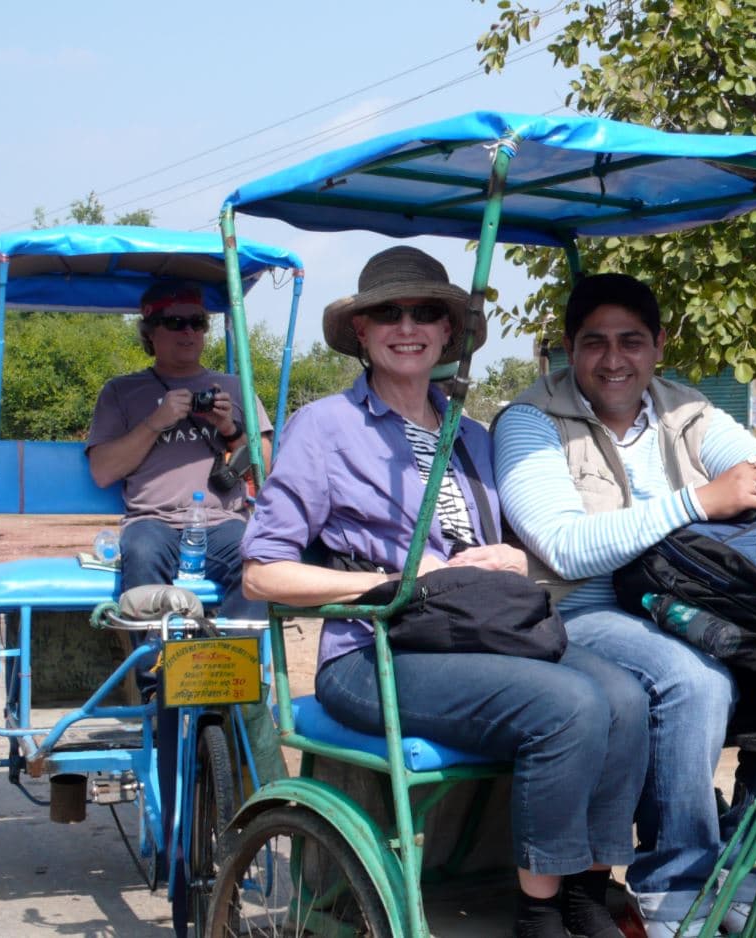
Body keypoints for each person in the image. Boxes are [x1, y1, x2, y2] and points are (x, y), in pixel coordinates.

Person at [241, 247, 647, 938]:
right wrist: (399, 580)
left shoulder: (473, 436)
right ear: (362, 333)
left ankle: (586, 889)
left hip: (483, 638)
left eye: (426, 311)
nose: (408, 325)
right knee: (569, 703)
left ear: (448, 333)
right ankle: (538, 913)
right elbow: (261, 572)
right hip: (375, 656)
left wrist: (513, 558)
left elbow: (531, 543)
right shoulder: (325, 427)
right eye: (388, 313)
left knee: (626, 697)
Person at [494, 272, 756, 938]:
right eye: (593, 342)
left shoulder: (683, 411)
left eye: (631, 340)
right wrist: (699, 501)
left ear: (658, 345)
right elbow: (565, 548)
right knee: (692, 680)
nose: (613, 359)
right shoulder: (528, 421)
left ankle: (743, 865)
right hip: (582, 612)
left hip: (685, 607)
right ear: (568, 348)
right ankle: (673, 885)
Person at [86, 279, 271, 619]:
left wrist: (229, 428)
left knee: (257, 559)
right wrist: (156, 421)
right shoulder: (121, 392)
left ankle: (231, 665)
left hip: (222, 522)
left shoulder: (234, 386)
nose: (189, 332)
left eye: (197, 323)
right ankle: (154, 670)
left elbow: (266, 470)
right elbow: (102, 472)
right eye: (175, 323)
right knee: (141, 553)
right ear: (150, 333)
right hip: (152, 523)